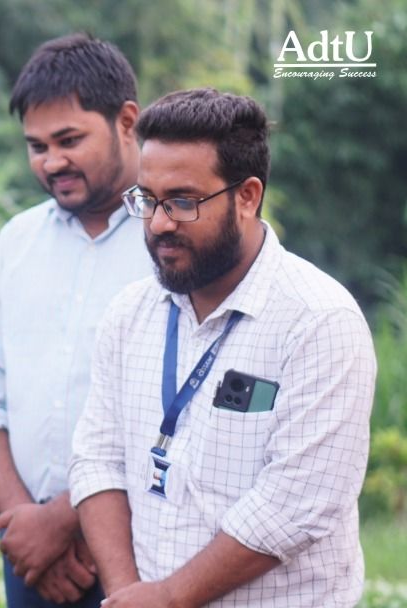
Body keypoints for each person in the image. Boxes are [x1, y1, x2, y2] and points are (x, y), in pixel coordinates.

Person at [69, 88, 376, 607]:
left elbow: (295, 504)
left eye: (184, 201)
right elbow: (97, 460)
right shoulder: (129, 313)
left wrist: (169, 597)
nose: (160, 223)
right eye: (146, 199)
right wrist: (126, 593)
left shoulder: (320, 321)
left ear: (248, 195)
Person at [0, 34, 150, 607]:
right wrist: (24, 522)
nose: (51, 161)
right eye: (36, 145)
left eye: (70, 140)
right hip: (30, 554)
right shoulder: (17, 241)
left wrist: (71, 523)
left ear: (126, 121)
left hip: (142, 548)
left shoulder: (171, 239)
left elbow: (175, 414)